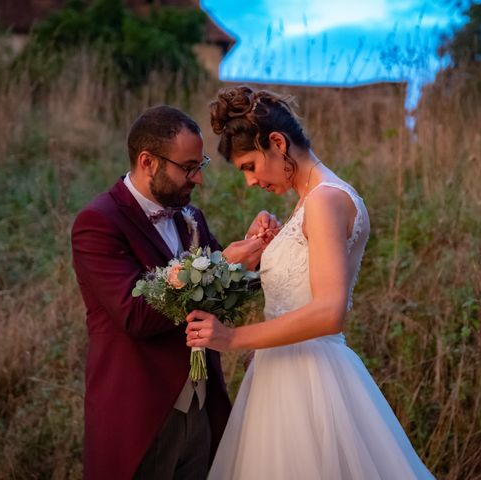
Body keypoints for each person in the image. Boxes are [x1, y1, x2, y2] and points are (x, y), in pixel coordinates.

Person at [185, 86, 435, 479]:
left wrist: (232, 339)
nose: (250, 182)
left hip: (311, 383)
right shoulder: (311, 201)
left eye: (250, 165)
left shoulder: (324, 200)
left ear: (278, 143)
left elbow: (328, 311)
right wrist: (271, 239)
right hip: (278, 376)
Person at [71, 105, 278, 479]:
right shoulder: (98, 223)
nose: (198, 179)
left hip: (200, 408)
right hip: (139, 416)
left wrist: (257, 247)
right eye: (188, 167)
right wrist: (221, 266)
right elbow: (135, 316)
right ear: (148, 161)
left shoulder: (189, 217)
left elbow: (220, 291)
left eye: (201, 165)